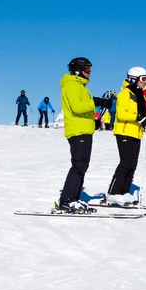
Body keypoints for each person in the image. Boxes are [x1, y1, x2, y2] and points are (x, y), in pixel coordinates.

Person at [56, 57, 112, 213]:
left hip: (83, 129)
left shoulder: (79, 86)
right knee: (79, 165)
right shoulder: (73, 85)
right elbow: (77, 107)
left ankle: (73, 199)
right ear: (78, 71)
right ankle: (67, 201)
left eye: (90, 69)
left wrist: (92, 120)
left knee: (82, 165)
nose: (90, 73)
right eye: (87, 70)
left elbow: (82, 110)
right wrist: (97, 101)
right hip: (78, 131)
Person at [105, 67, 146, 205]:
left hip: (136, 132)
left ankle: (124, 192)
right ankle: (113, 193)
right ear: (134, 79)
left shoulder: (140, 95)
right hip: (124, 131)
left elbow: (140, 114)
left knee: (132, 164)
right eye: (143, 79)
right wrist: (138, 117)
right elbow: (121, 114)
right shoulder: (125, 93)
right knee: (125, 163)